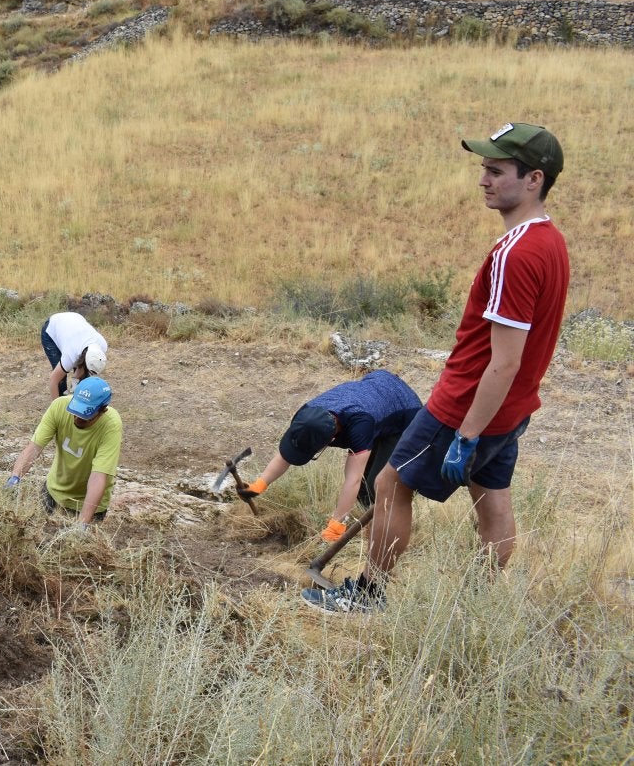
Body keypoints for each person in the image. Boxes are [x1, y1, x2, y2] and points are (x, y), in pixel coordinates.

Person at [304, 122, 568, 614]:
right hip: (511, 409)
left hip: (468, 404)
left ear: (534, 179)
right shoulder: (551, 241)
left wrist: (466, 434)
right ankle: (482, 605)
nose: (483, 180)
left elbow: (504, 360)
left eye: (497, 171)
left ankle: (368, 595)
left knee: (389, 484)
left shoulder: (516, 252)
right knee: (492, 497)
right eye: (483, 169)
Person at [242, 370, 421, 542]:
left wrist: (336, 524)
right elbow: (287, 453)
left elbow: (353, 479)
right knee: (364, 486)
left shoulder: (360, 425)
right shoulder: (306, 414)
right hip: (376, 390)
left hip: (404, 411)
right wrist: (260, 484)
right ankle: (359, 512)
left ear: (331, 439)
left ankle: (380, 533)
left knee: (378, 484)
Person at [6, 376, 122, 529]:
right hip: (53, 492)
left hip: (86, 504)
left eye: (85, 416)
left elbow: (99, 475)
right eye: (76, 411)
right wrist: (15, 478)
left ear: (102, 411)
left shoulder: (111, 425)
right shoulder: (59, 406)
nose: (77, 418)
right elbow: (34, 447)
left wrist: (82, 524)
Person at [41, 311, 108, 398]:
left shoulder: (102, 346)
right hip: (52, 326)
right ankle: (62, 400)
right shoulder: (70, 355)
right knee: (60, 378)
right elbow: (53, 380)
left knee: (83, 375)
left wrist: (74, 390)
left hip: (75, 320)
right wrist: (56, 408)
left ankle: (75, 397)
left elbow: (81, 369)